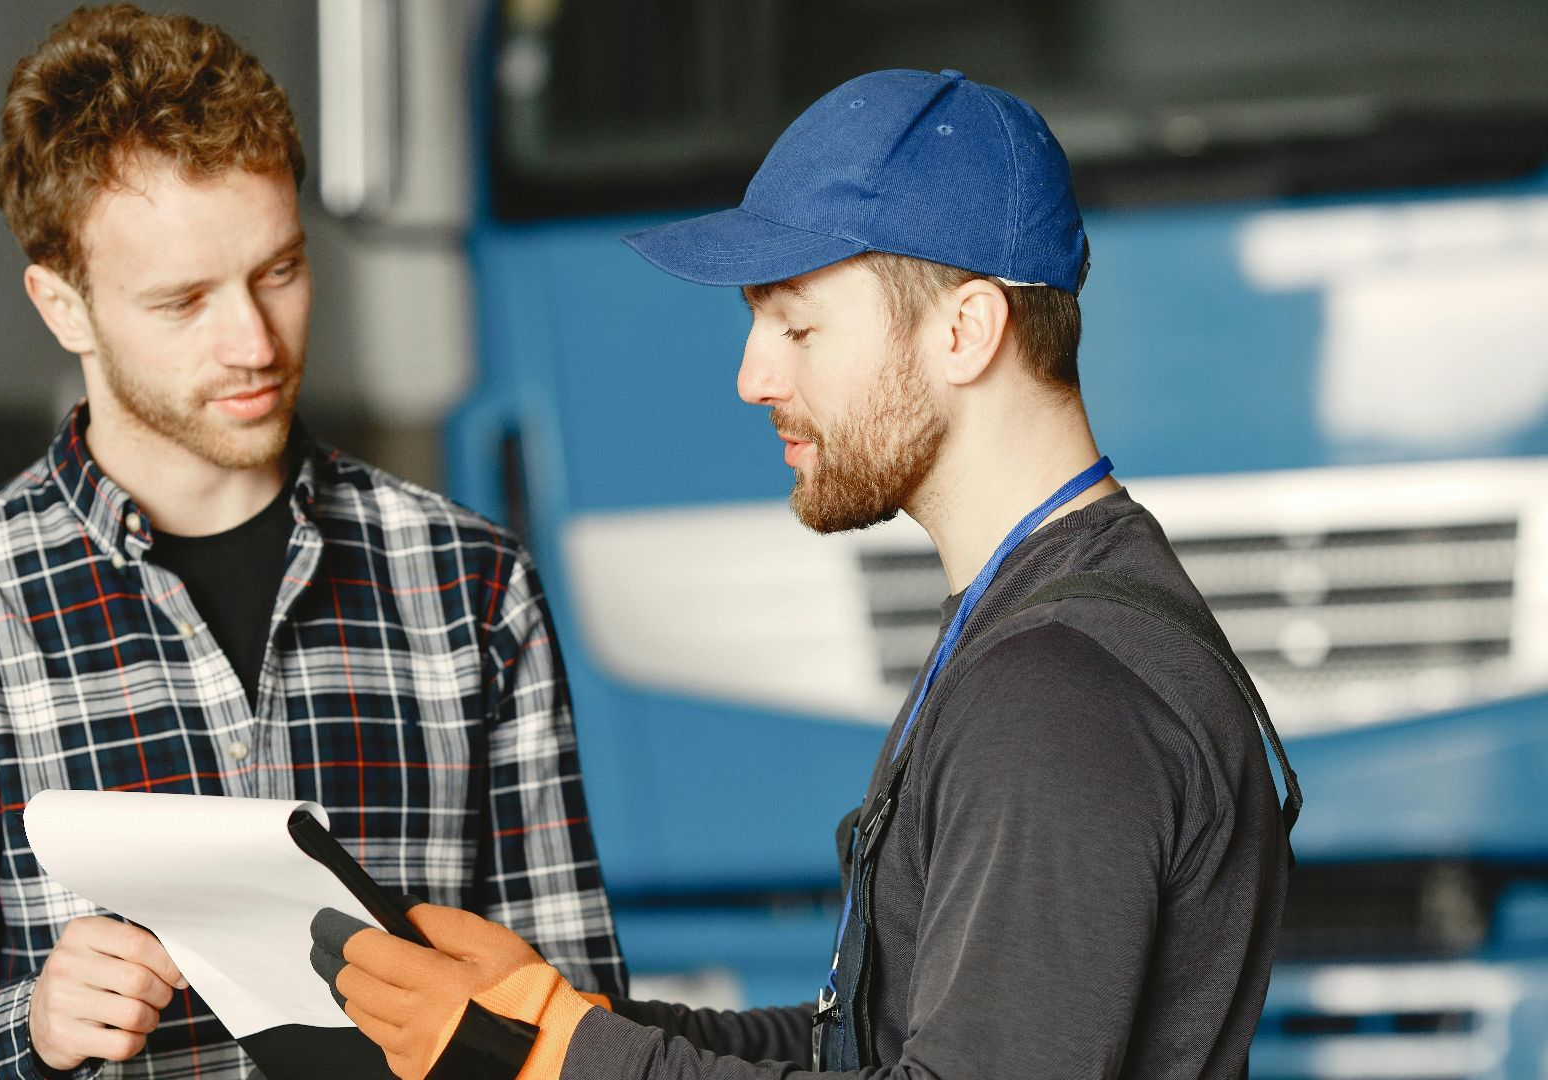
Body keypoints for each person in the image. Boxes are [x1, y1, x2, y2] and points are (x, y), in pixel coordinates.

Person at [311, 68, 1299, 1079]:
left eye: (798, 325)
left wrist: (556, 1061)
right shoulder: (1039, 623)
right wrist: (555, 1019)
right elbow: (868, 1044)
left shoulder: (1054, 699)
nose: (753, 377)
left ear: (966, 332)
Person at [0, 6, 625, 1077]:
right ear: (65, 307)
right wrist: (30, 1033)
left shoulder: (468, 585)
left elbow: (582, 1024)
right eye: (183, 300)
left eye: (278, 271)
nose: (254, 341)